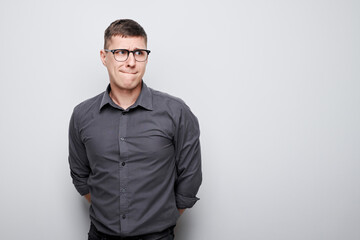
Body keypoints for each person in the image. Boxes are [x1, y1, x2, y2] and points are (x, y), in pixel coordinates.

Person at [68, 19, 202, 240]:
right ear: (104, 57)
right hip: (101, 235)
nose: (131, 61)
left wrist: (158, 219)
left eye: (139, 52)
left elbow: (190, 178)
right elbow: (80, 175)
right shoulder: (82, 115)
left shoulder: (176, 112)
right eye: (121, 52)